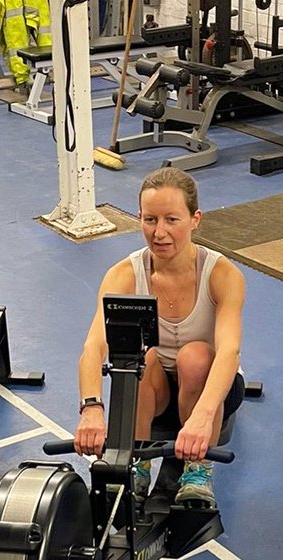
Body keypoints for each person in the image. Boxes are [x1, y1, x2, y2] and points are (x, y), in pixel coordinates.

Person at [74, 166, 246, 507]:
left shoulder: (222, 274)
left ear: (195, 219)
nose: (159, 232)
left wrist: (202, 416)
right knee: (142, 356)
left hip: (210, 390)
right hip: (154, 395)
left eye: (172, 220)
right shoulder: (124, 274)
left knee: (195, 356)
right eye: (150, 220)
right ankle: (137, 464)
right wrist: (91, 408)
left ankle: (198, 470)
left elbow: (229, 353)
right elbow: (94, 347)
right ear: (138, 218)